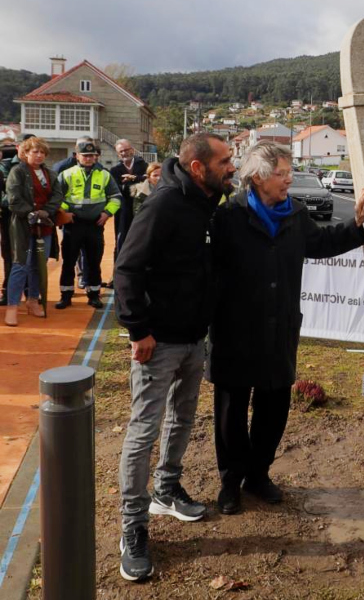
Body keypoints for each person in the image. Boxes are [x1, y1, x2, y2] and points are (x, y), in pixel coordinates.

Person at [208, 141, 364, 516]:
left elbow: (321, 243)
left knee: (274, 404)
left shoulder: (294, 214)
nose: (288, 180)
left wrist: (357, 226)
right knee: (231, 410)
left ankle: (258, 475)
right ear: (259, 177)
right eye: (281, 173)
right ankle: (231, 481)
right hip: (235, 330)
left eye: (288, 172)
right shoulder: (228, 217)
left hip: (279, 328)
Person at [113, 133, 237, 582]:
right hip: (157, 343)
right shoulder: (164, 205)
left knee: (182, 420)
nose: (232, 167)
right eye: (225, 160)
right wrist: (139, 329)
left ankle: (166, 489)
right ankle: (133, 526)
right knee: (143, 430)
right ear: (198, 166)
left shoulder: (209, 205)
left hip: (192, 340)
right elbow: (126, 269)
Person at [55, 140, 121, 310]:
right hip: (73, 225)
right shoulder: (67, 174)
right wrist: (64, 213)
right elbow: (57, 198)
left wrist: (107, 213)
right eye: (85, 155)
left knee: (94, 261)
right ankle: (66, 295)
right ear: (77, 156)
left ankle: (93, 295)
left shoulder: (105, 175)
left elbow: (115, 197)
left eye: (92, 155)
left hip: (95, 226)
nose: (89, 158)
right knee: (69, 262)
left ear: (96, 157)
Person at [3, 136, 62, 326]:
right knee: (21, 265)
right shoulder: (17, 171)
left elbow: (58, 194)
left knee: (39, 264)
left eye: (42, 152)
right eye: (35, 151)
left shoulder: (51, 174)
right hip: (22, 225)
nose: (38, 155)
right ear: (26, 153)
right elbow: (13, 198)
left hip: (44, 225)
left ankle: (33, 300)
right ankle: (12, 307)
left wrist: (46, 211)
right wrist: (30, 213)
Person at [108, 139, 148, 269]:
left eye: (126, 150)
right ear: (118, 154)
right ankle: (117, 273)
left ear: (132, 150)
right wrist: (133, 185)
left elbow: (149, 182)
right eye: (121, 151)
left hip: (142, 210)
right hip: (123, 212)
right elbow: (115, 189)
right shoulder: (115, 170)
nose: (124, 153)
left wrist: (134, 179)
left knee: (142, 240)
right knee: (121, 241)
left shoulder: (144, 166)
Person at [0, 136, 18, 306]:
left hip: (17, 217)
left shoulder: (21, 167)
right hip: (6, 217)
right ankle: (7, 291)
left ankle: (20, 291)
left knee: (17, 255)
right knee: (8, 255)